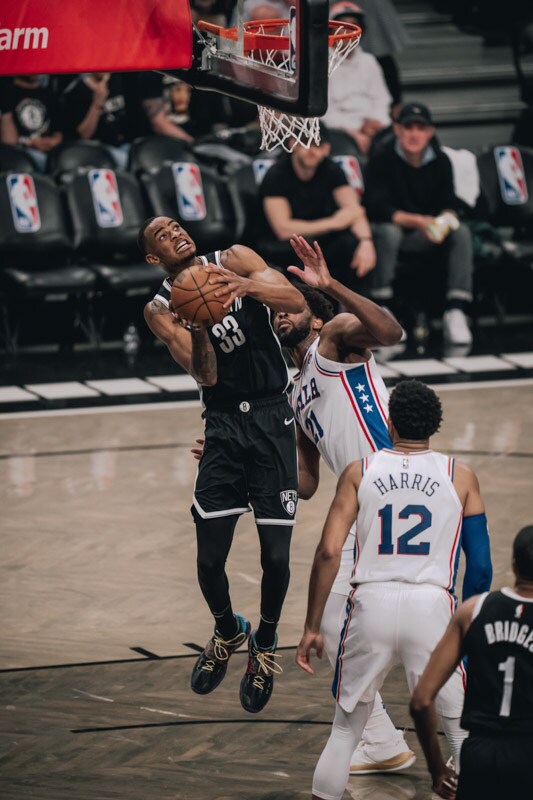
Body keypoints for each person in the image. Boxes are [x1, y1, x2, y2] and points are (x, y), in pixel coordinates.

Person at [296, 378, 492, 800]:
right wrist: (468, 624)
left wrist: (313, 624)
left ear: (389, 421)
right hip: (433, 607)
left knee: (346, 730)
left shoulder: (359, 471)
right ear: (434, 424)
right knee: (458, 729)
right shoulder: (461, 476)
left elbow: (329, 552)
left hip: (370, 603)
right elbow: (481, 567)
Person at [139, 215, 305, 713]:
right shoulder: (160, 309)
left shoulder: (234, 257)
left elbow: (296, 302)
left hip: (274, 415)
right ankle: (229, 629)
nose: (175, 234)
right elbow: (205, 374)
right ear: (154, 258)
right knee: (210, 560)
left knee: (276, 557)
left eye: (175, 226)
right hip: (225, 425)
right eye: (162, 236)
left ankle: (267, 642)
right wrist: (202, 328)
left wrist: (246, 286)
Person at [275, 236, 417, 774]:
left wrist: (329, 285)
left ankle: (465, 741)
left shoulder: (333, 340)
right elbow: (307, 482)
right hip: (361, 506)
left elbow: (391, 332)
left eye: (286, 304)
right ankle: (381, 741)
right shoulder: (294, 392)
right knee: (334, 630)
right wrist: (239, 461)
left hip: (398, 487)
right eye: (271, 312)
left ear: (311, 311)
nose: (278, 316)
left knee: (410, 631)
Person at [410, 525, 533, 800]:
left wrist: (437, 769)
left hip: (481, 754)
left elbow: (420, 701)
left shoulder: (472, 611)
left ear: (513, 564)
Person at [363, 102, 475, 346]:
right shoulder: (381, 159)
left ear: (430, 131)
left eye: (420, 128)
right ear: (397, 129)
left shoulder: (441, 160)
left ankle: (456, 310)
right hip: (388, 237)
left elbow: (450, 202)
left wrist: (443, 222)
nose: (414, 134)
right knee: (389, 232)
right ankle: (383, 309)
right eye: (408, 127)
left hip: (425, 236)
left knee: (461, 232)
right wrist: (419, 221)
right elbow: (377, 208)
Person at [258, 123, 376, 288]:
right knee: (306, 248)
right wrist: (334, 222)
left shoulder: (332, 170)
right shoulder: (276, 174)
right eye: (306, 142)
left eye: (318, 144)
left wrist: (366, 242)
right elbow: (283, 229)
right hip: (281, 244)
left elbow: (354, 210)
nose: (312, 150)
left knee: (353, 244)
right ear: (293, 143)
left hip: (317, 239)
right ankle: (306, 309)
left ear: (327, 148)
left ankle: (354, 308)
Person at [324, 3, 392, 156]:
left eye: (353, 25)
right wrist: (354, 133)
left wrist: (374, 122)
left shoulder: (370, 61)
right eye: (342, 25)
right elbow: (325, 113)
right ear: (331, 30)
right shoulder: (320, 63)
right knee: (348, 152)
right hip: (338, 131)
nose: (348, 30)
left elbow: (382, 101)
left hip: (373, 129)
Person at [61, 72, 136, 168]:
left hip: (122, 145)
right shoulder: (77, 90)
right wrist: (97, 103)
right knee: (127, 161)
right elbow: (85, 134)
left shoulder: (117, 80)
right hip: (94, 150)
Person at [0, 74, 64, 171]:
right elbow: (9, 142)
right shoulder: (7, 93)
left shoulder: (49, 94)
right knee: (40, 160)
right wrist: (30, 142)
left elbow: (59, 132)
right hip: (19, 154)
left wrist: (53, 141)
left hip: (49, 151)